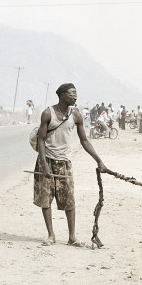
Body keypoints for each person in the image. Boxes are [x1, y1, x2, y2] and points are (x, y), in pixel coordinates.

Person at [34, 83, 107, 248]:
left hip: (64, 163)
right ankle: (51, 235)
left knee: (69, 200)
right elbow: (41, 139)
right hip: (46, 161)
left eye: (76, 94)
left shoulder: (76, 115)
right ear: (61, 96)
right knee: (46, 199)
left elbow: (84, 140)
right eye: (71, 94)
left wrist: (98, 160)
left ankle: (72, 237)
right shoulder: (48, 113)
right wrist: (44, 165)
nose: (75, 97)